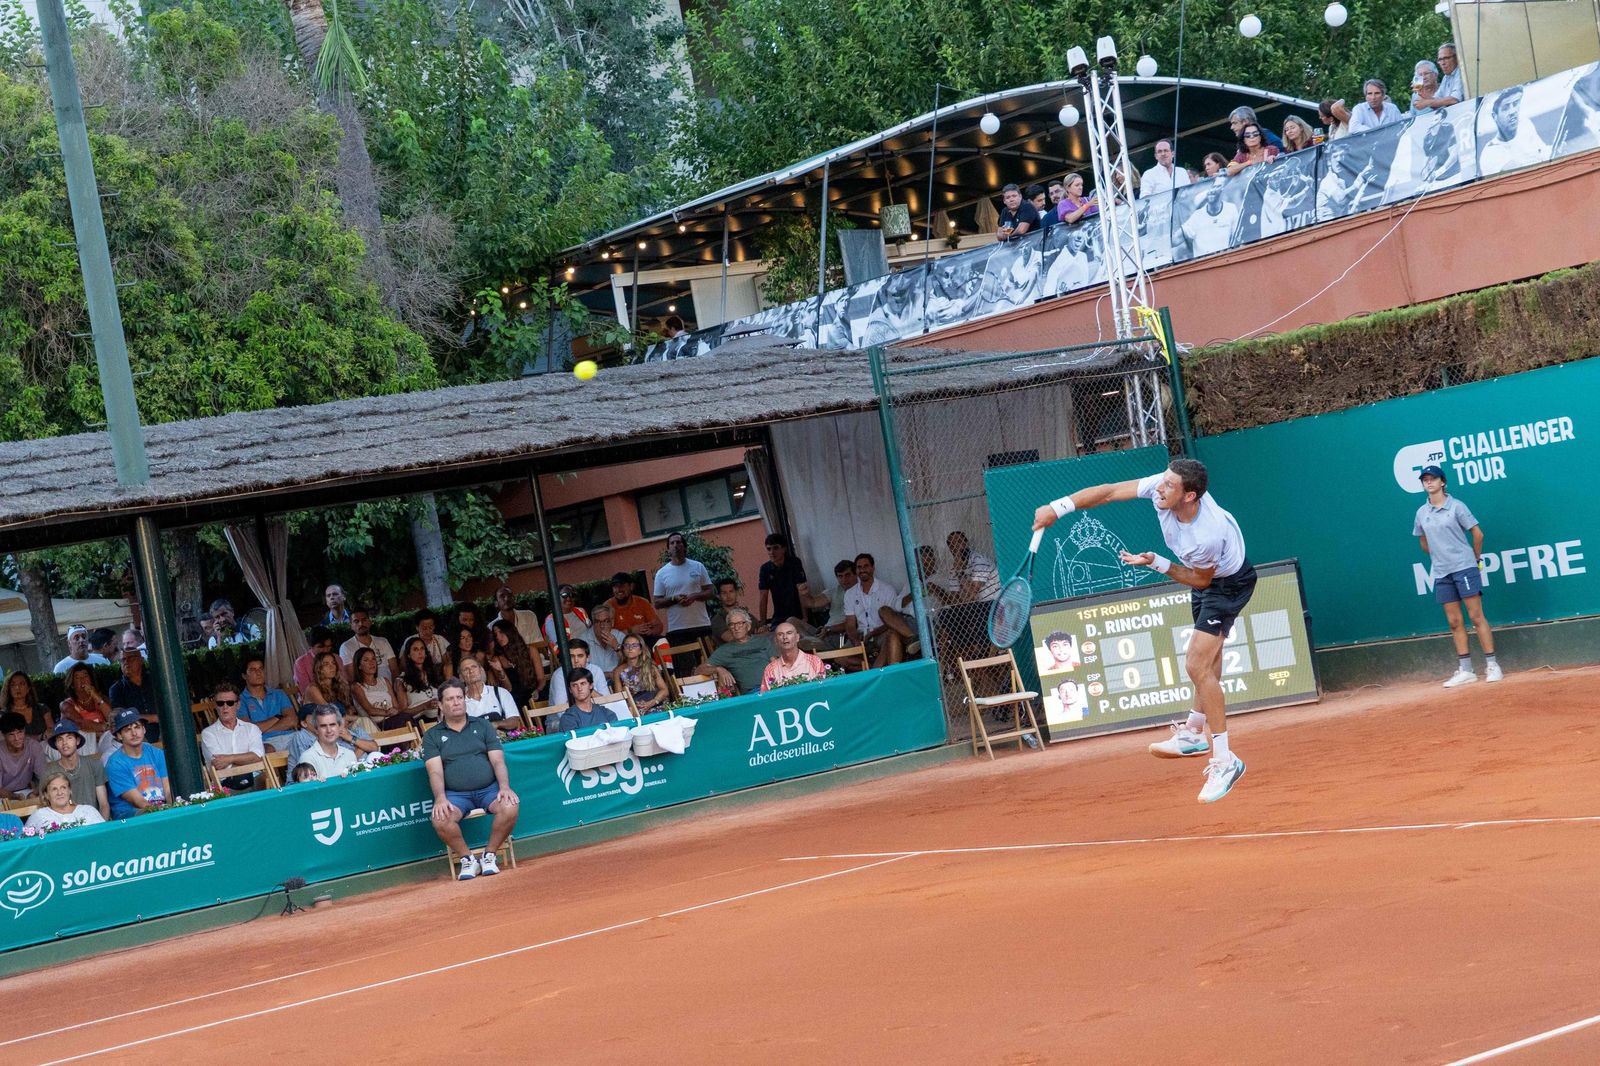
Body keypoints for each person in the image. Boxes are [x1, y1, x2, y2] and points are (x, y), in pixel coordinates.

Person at [1033, 457, 1255, 804]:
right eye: (1162, 481)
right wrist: (1057, 508)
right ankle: (1194, 733)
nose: (1160, 488)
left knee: (1196, 665)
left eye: (1169, 486)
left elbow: (1201, 579)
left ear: (1190, 496)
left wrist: (1157, 563)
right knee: (1208, 663)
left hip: (1228, 584)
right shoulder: (1163, 488)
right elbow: (1107, 493)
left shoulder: (1206, 534)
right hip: (1208, 583)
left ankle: (1225, 759)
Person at [1413, 465, 1502, 687]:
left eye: (1433, 479)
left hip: (1464, 567)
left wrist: (1474, 557)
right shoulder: (1421, 513)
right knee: (1454, 621)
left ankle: (1492, 665)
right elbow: (1423, 542)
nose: (1429, 482)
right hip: (1442, 572)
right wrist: (1440, 554)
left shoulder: (1457, 507)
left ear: (1442, 482)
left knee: (1475, 616)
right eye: (1425, 480)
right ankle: (1466, 670)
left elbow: (1477, 533)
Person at [424, 679, 520, 881]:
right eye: (450, 699)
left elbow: (498, 762)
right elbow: (435, 772)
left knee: (510, 805)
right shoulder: (432, 736)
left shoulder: (483, 725)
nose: (456, 702)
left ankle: (489, 855)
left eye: (459, 697)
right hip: (456, 796)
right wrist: (440, 798)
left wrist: (504, 787)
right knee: (439, 819)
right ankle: (468, 859)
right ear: (441, 705)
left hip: (489, 790)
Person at [652, 532, 715, 650]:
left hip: (701, 624)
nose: (675, 545)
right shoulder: (662, 573)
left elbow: (711, 591)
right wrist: (674, 599)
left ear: (684, 547)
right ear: (668, 549)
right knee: (686, 667)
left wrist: (695, 596)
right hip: (677, 628)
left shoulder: (698, 566)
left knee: (708, 664)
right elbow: (657, 603)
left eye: (678, 542)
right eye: (672, 543)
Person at [200, 681, 267, 789]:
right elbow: (218, 764)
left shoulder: (251, 728)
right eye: (220, 703)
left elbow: (258, 757)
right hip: (225, 785)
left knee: (264, 778)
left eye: (230, 702)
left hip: (255, 780)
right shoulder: (208, 733)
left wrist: (229, 759)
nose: (225, 707)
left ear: (238, 705)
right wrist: (247, 760)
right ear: (215, 706)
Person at [843, 553, 905, 668]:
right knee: (840, 658)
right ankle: (872, 669)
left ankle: (876, 671)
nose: (862, 570)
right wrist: (855, 639)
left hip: (881, 632)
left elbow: (893, 621)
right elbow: (850, 624)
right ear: (856, 570)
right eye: (859, 567)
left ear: (873, 568)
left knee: (891, 639)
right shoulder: (850, 594)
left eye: (866, 566)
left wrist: (873, 633)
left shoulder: (887, 589)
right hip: (861, 634)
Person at [105, 709, 169, 818]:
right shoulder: (115, 763)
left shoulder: (157, 753)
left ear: (144, 729)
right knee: (145, 813)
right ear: (119, 735)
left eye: (137, 727)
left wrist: (174, 808)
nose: (134, 733)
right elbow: (136, 800)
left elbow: (168, 789)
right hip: (131, 815)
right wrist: (162, 812)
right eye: (127, 730)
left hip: (160, 810)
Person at [44, 720, 110, 820]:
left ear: (77, 741)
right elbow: (49, 809)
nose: (64, 743)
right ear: (56, 744)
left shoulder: (94, 764)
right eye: (60, 739)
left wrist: (100, 828)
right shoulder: (49, 771)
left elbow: (104, 804)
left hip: (94, 822)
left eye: (69, 737)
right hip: (64, 825)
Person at [284, 701, 377, 770]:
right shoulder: (301, 736)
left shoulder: (347, 733)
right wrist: (362, 748)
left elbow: (374, 747)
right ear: (304, 723)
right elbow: (313, 769)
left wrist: (352, 739)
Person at [1479, 85, 1546, 173]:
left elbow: (1544, 152)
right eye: (1506, 108)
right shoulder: (1490, 153)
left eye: (1515, 104)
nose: (1513, 111)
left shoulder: (1525, 124)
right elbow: (1524, 173)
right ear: (1494, 116)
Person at [239, 657, 298, 751]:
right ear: (244, 675)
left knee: (310, 741)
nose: (258, 673)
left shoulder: (278, 694)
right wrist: (277, 717)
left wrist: (263, 730)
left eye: (261, 669)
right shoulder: (240, 701)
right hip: (264, 742)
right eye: (253, 670)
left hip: (291, 736)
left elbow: (292, 721)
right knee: (266, 750)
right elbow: (249, 732)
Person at [758, 533, 812, 631]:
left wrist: (805, 617)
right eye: (769, 549)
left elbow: (801, 591)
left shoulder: (794, 563)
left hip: (798, 613)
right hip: (779, 616)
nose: (772, 552)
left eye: (775, 548)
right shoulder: (765, 569)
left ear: (784, 549)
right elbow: (763, 596)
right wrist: (763, 623)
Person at [106, 644, 160, 740]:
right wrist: (153, 718)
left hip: (165, 728)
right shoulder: (116, 689)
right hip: (136, 733)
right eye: (123, 660)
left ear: (141, 660)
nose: (126, 662)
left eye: (131, 658)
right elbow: (121, 716)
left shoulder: (156, 680)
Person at [487, 619, 542, 709]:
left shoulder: (531, 651)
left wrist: (538, 690)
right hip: (514, 697)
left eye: (501, 632)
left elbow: (541, 678)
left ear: (509, 632)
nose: (498, 637)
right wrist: (500, 670)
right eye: (495, 634)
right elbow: (508, 688)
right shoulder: (496, 659)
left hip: (534, 692)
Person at [59, 662, 114, 753]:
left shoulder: (102, 698)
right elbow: (80, 723)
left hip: (104, 739)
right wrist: (106, 727)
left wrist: (95, 696)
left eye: (85, 676)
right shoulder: (66, 705)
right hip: (83, 744)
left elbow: (111, 717)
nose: (82, 680)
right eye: (77, 677)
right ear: (72, 684)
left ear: (91, 679)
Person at [25, 770, 105, 829]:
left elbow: (104, 835)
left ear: (70, 791)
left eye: (63, 787)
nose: (59, 793)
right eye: (54, 789)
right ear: (46, 795)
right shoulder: (39, 816)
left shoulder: (88, 811)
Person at [295, 705, 359, 780]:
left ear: (339, 726)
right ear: (316, 729)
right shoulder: (308, 758)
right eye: (323, 726)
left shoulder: (350, 754)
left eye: (332, 725)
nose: (329, 730)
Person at [760, 622, 827, 692]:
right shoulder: (770, 669)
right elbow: (766, 699)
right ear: (776, 641)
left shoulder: (815, 662)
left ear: (797, 637)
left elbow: (823, 692)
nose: (785, 637)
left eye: (789, 633)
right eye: (780, 634)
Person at [611, 634, 669, 713]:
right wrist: (631, 709)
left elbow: (664, 690)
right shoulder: (618, 671)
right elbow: (620, 698)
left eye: (634, 645)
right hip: (634, 709)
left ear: (641, 650)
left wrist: (653, 702)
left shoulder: (650, 667)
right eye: (627, 645)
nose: (630, 648)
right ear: (623, 649)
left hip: (655, 704)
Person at [547, 638, 612, 706]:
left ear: (588, 658)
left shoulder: (596, 671)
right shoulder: (559, 675)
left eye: (580, 656)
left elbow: (607, 703)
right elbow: (560, 710)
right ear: (566, 658)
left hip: (595, 714)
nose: (576, 660)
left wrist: (589, 689)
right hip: (567, 716)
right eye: (572, 656)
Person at [340, 607, 400, 681]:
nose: (361, 623)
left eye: (364, 620)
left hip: (390, 689)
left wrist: (396, 688)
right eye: (356, 621)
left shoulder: (383, 641)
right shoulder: (346, 647)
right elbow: (351, 677)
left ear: (370, 622)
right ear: (351, 625)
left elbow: (394, 669)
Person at [1181, 184, 1240, 257]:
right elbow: (1177, 238)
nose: (1212, 192)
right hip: (1204, 263)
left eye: (1215, 188)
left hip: (1226, 259)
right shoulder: (1196, 216)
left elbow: (1238, 237)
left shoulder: (1231, 208)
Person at [350, 646, 403, 728]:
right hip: (376, 725)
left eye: (373, 659)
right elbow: (370, 711)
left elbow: (396, 706)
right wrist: (388, 712)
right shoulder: (356, 686)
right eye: (366, 660)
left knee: (406, 717)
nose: (371, 663)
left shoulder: (384, 681)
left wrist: (395, 710)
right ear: (359, 666)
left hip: (394, 719)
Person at [0, 712, 47, 800]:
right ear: (3, 735)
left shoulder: (33, 746)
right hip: (3, 796)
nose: (17, 738)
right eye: (11, 734)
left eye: (20, 732)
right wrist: (15, 797)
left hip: (26, 792)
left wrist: (35, 792)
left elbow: (45, 777)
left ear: (25, 730)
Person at [395, 636, 443, 723]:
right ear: (408, 655)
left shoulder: (433, 674)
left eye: (422, 649)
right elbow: (403, 711)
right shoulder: (402, 681)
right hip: (420, 720)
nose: (420, 652)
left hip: (441, 716)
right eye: (416, 649)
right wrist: (425, 706)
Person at [605, 572, 663, 638]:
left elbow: (659, 626)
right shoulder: (607, 607)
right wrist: (631, 631)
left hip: (644, 641)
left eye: (622, 585)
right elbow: (606, 636)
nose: (618, 590)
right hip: (621, 644)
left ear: (631, 586)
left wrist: (651, 632)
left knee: (662, 640)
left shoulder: (642, 602)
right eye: (615, 586)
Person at [575, 602, 625, 677]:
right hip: (594, 683)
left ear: (612, 622)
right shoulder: (583, 640)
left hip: (619, 680)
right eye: (597, 622)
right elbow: (580, 670)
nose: (602, 626)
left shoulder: (620, 636)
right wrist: (608, 675)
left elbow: (630, 663)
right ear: (593, 623)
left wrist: (616, 647)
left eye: (606, 621)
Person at [1, 670, 52, 740]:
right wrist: (39, 737)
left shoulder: (42, 709)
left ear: (28, 688)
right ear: (8, 690)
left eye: (21, 684)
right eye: (13, 685)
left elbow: (52, 731)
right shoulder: (4, 714)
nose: (17, 688)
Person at [304, 650, 353, 716]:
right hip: (321, 724)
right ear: (319, 668)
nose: (331, 667)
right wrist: (357, 718)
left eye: (333, 663)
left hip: (341, 722)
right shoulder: (313, 689)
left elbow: (348, 710)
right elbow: (330, 713)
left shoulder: (339, 685)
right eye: (326, 664)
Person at [1415, 45, 1463, 110]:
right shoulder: (1446, 77)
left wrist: (1427, 102)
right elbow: (1436, 100)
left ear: (1456, 58)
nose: (1443, 63)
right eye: (1440, 59)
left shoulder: (1461, 73)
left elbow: (1454, 100)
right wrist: (1423, 95)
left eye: (1446, 58)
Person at [293, 627, 334, 694]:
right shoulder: (301, 663)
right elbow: (306, 691)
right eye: (321, 647)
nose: (326, 650)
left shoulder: (336, 658)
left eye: (328, 646)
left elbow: (343, 684)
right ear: (311, 646)